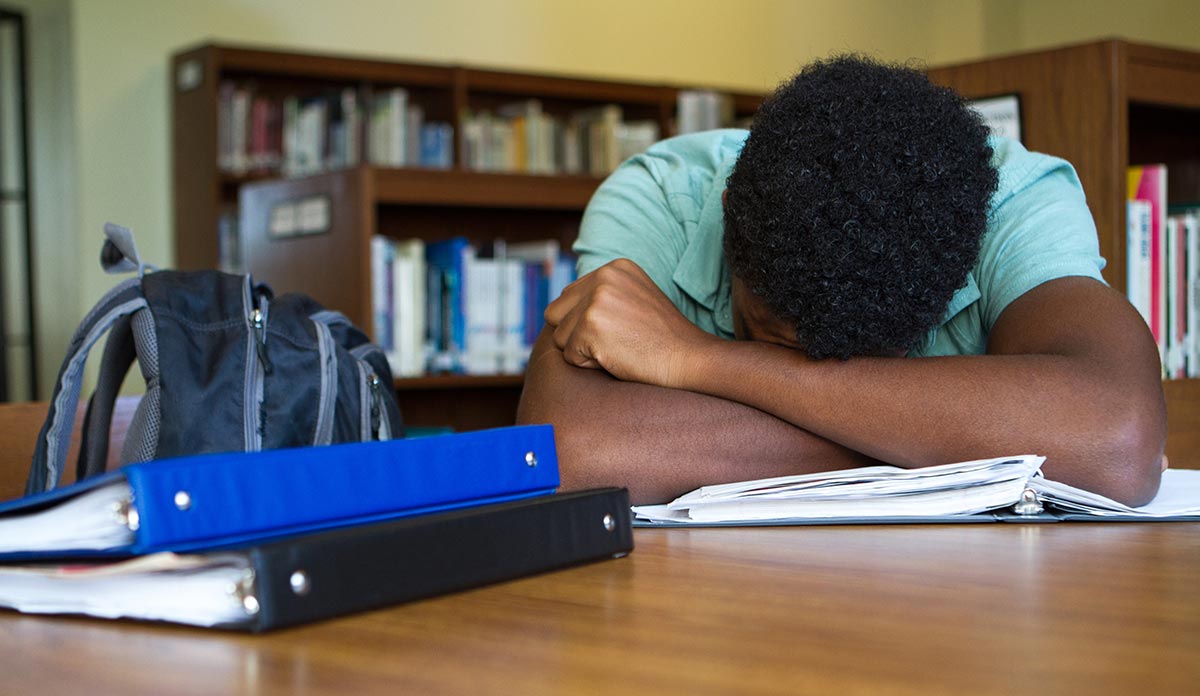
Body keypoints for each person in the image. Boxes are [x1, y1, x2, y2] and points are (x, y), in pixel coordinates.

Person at [516, 54, 1166, 506]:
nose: (814, 372)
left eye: (867, 360)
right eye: (770, 336)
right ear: (727, 223)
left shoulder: (1011, 202)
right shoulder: (663, 195)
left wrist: (699, 360)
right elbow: (573, 445)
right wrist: (950, 436)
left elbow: (1118, 437)